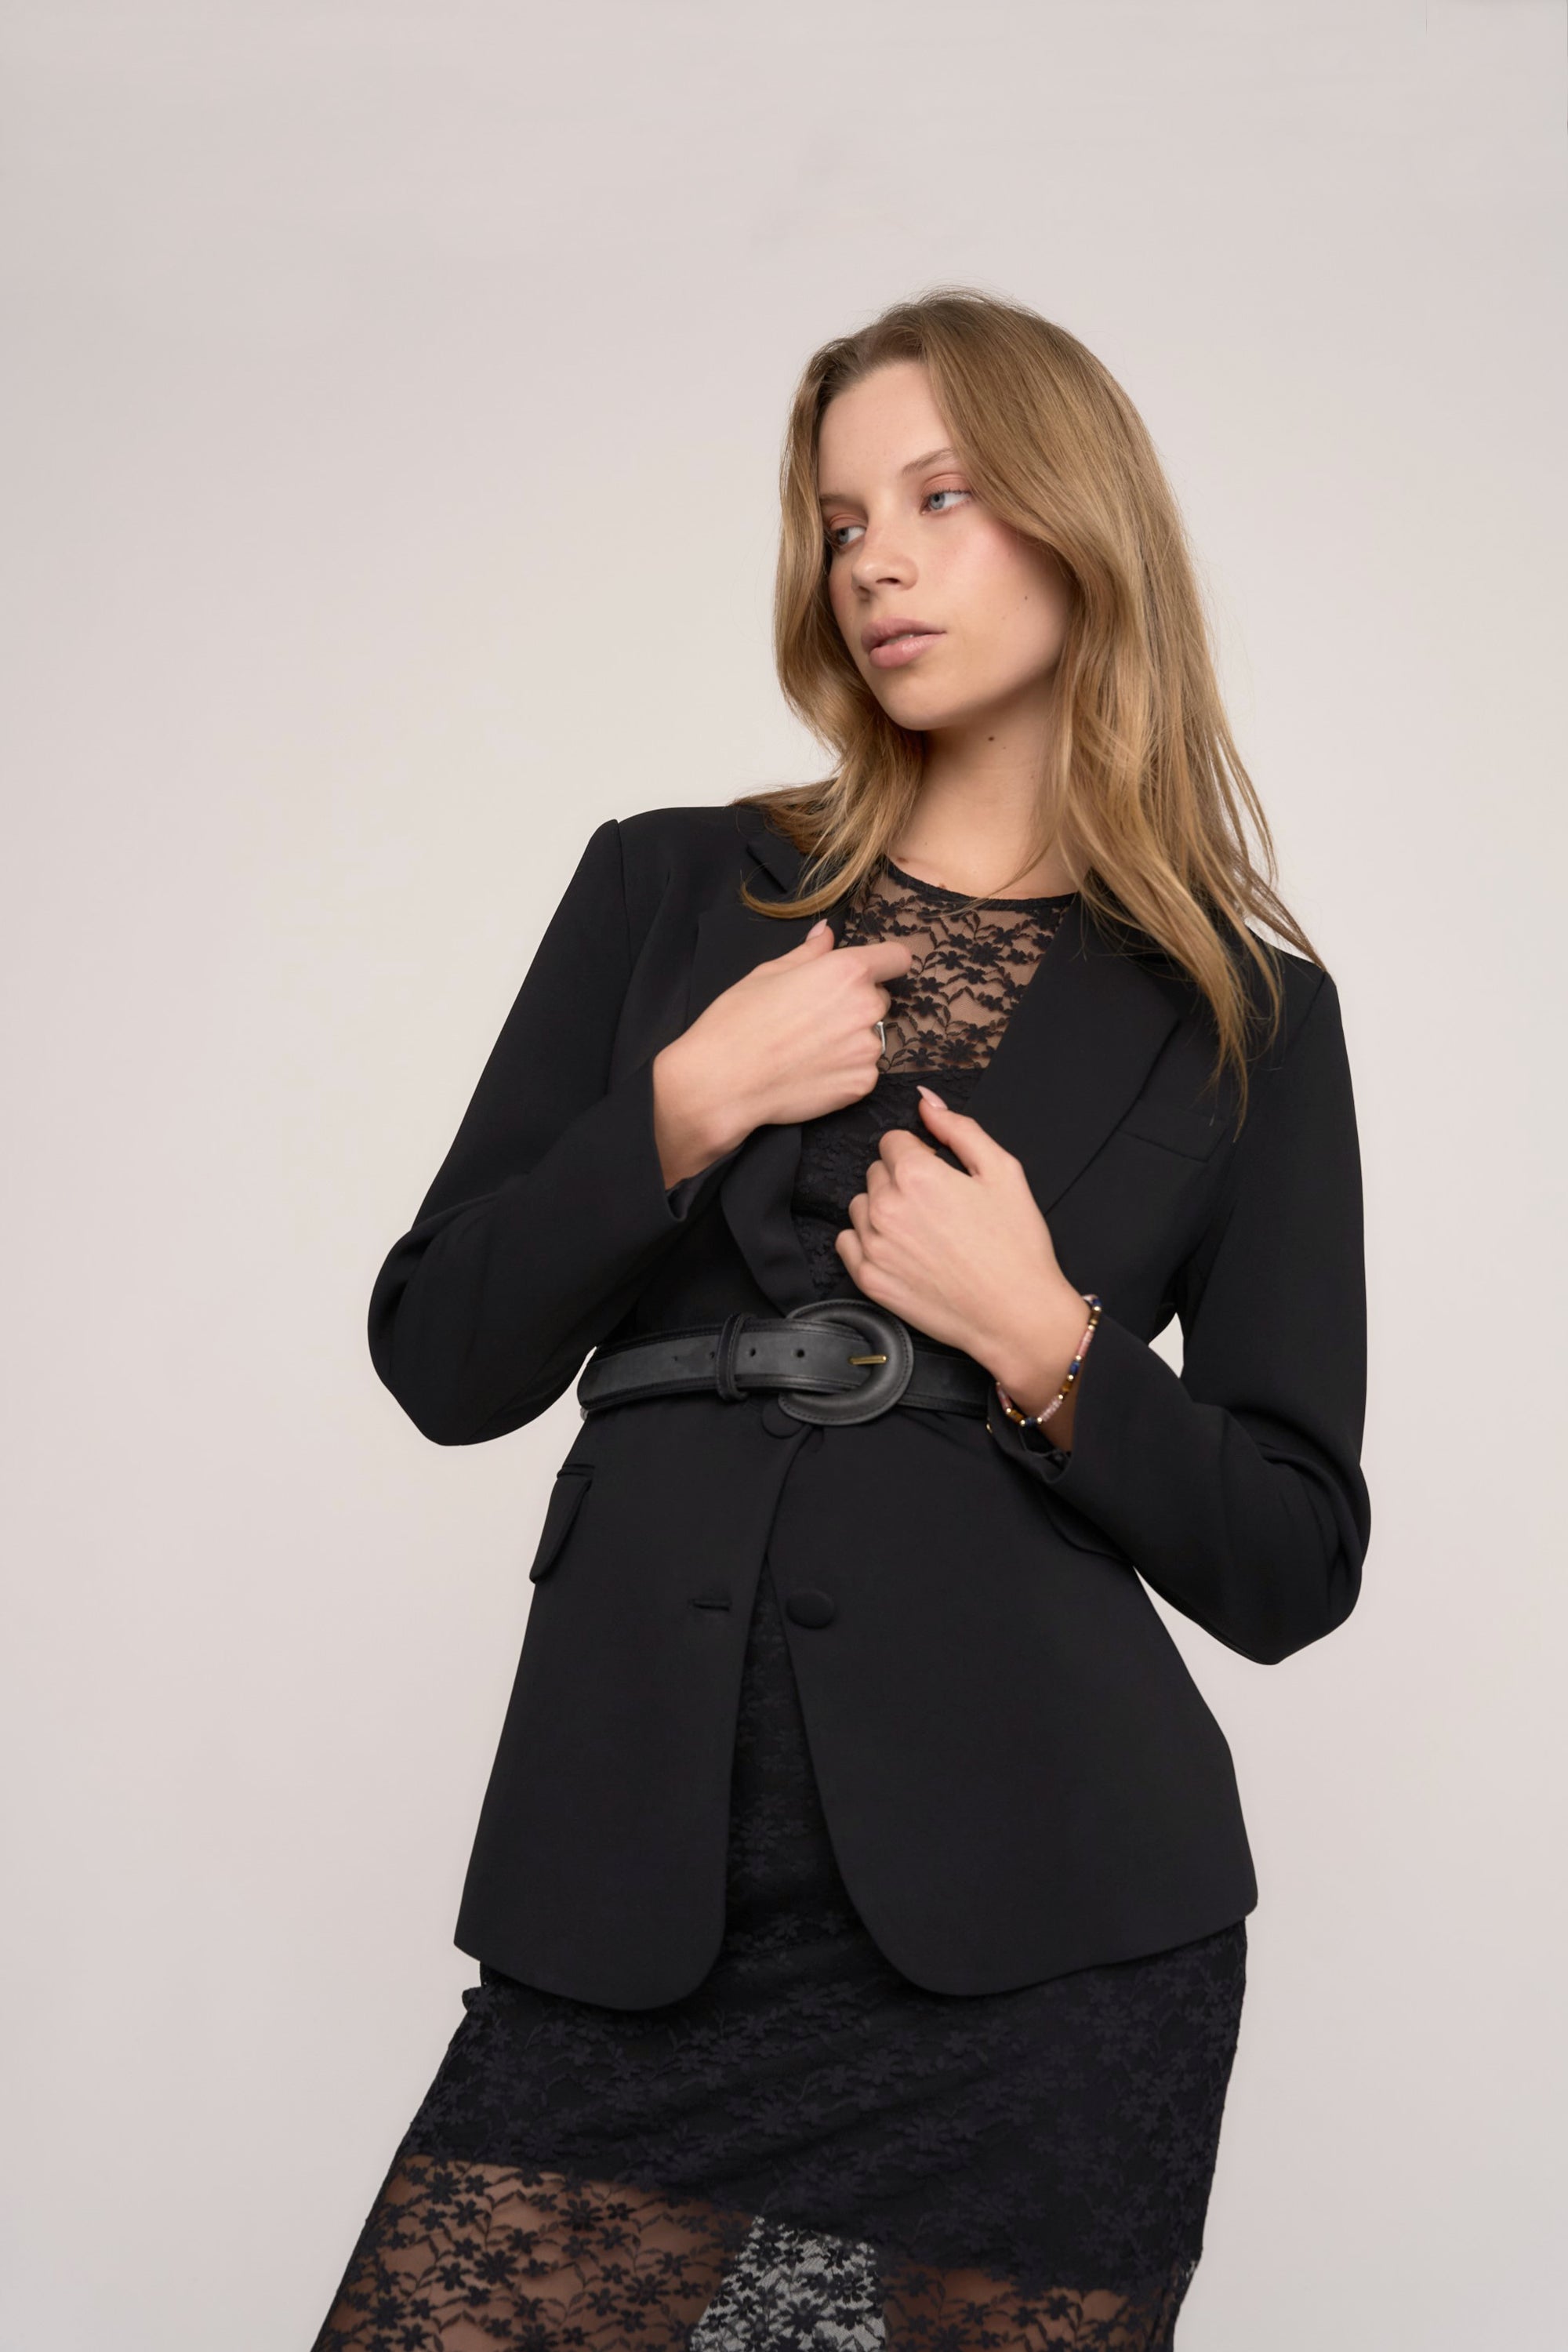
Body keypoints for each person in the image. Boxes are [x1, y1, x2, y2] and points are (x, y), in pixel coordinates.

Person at [313, 289, 1370, 2352]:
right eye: (840, 516)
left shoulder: (1243, 1019)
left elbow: (1292, 1554)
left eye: (943, 497)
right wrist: (685, 1106)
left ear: (1085, 530)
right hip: (624, 1911)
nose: (871, 556)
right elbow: (444, 1354)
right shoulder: (671, 891)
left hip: (1053, 1948)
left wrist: (1054, 1341)